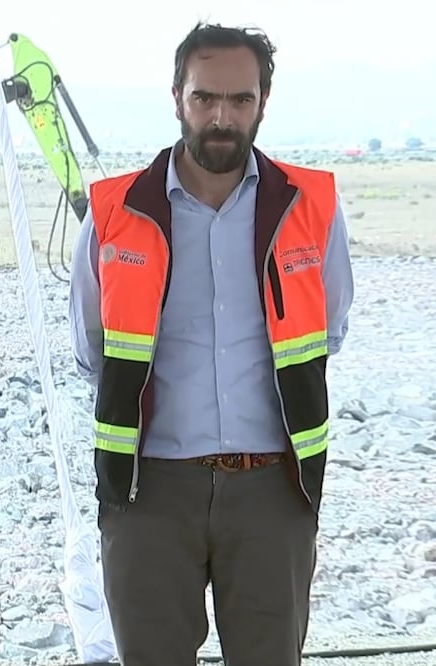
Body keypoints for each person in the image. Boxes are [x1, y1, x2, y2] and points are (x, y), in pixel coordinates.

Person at [69, 22, 355, 666]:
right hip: (149, 492)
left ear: (263, 101)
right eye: (205, 99)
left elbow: (325, 331)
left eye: (240, 99)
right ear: (176, 97)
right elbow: (94, 348)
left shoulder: (313, 208)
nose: (222, 117)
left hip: (273, 491)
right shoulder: (114, 211)